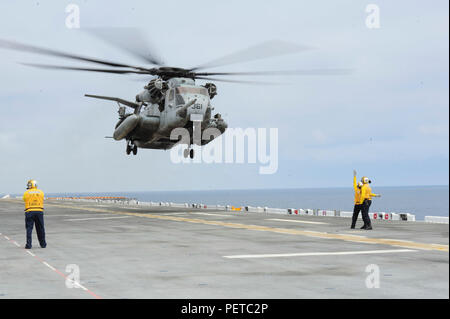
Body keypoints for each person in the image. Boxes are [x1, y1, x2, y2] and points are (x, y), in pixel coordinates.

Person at [23, 179, 46, 249]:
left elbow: (24, 199)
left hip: (29, 211)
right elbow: (42, 199)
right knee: (40, 228)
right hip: (39, 211)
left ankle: (28, 245)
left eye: (29, 185)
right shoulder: (41, 192)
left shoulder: (27, 192)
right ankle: (43, 244)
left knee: (29, 229)